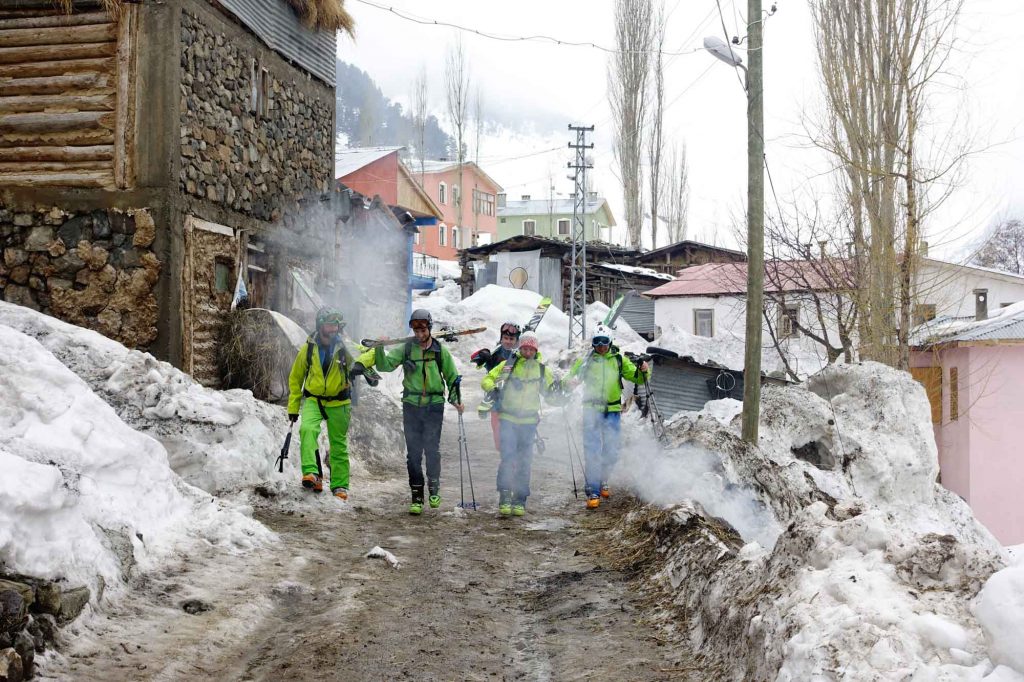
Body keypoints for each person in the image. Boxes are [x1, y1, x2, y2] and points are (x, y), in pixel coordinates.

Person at [374, 309, 464, 515]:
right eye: (415, 328)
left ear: (429, 328)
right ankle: (416, 496)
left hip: (433, 405)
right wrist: (379, 348)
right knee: (413, 454)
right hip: (411, 405)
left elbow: (452, 377)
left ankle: (434, 488)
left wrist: (456, 400)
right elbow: (385, 365)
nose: (419, 333)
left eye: (422, 328)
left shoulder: (440, 351)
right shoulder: (406, 349)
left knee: (432, 449)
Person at [287, 307, 374, 501]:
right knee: (308, 430)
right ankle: (312, 474)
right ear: (320, 325)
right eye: (329, 323)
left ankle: (340, 485)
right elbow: (295, 378)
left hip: (339, 401)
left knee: (338, 444)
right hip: (314, 399)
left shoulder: (345, 346)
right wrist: (293, 407)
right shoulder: (308, 348)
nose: (334, 328)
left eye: (336, 324)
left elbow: (365, 355)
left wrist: (373, 350)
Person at [566, 325, 650, 509]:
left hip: (612, 410)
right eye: (597, 343)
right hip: (591, 410)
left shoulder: (619, 359)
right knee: (593, 450)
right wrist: (569, 382)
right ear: (593, 344)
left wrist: (644, 370)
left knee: (612, 450)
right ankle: (593, 490)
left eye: (605, 342)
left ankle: (603, 478)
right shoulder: (587, 361)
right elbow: (572, 376)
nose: (601, 347)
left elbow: (638, 378)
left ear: (610, 342)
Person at [480, 332, 559, 517]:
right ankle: (505, 496)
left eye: (531, 349)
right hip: (507, 419)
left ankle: (520, 499)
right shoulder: (508, 365)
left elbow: (551, 393)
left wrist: (562, 392)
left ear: (535, 350)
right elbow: (487, 379)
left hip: (529, 423)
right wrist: (493, 388)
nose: (527, 351)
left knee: (524, 461)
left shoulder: (541, 369)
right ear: (520, 348)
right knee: (508, 458)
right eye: (524, 348)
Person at [473, 321, 522, 448]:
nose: (508, 341)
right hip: (497, 403)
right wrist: (484, 356)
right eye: (505, 338)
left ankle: (514, 463)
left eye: (511, 339)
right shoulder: (495, 353)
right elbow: (474, 359)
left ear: (517, 340)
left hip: (515, 403)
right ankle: (507, 461)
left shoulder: (521, 355)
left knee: (514, 441)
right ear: (501, 338)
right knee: (500, 442)